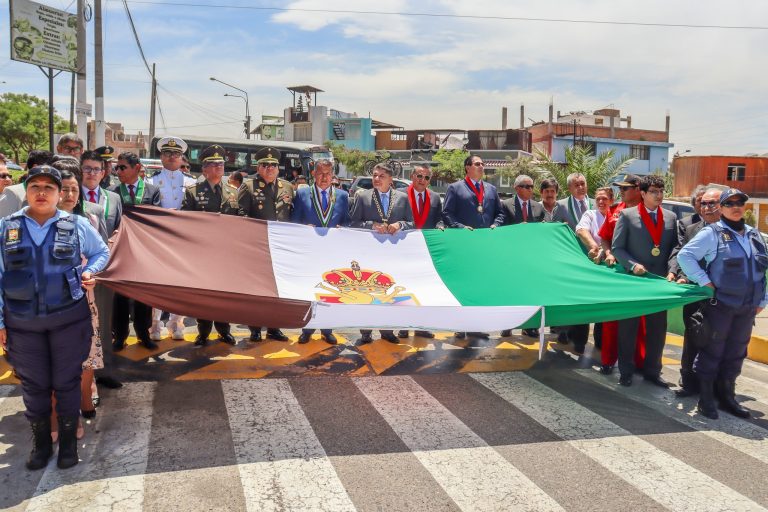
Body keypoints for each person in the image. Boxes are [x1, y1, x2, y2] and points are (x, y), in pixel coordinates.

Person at [0, 165, 109, 470]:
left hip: (68, 321)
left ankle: (69, 444)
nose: (42, 193)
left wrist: (90, 272)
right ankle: (41, 444)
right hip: (22, 325)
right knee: (34, 386)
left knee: (67, 383)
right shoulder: (6, 227)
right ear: (27, 192)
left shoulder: (76, 224)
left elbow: (102, 253)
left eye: (50, 187)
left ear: (60, 194)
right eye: (35, 187)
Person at [678, 188, 767, 419]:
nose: (736, 207)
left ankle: (728, 396)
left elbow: (761, 271)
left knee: (736, 352)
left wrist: (763, 300)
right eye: (730, 203)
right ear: (722, 208)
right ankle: (705, 398)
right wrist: (704, 282)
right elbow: (685, 256)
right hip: (721, 305)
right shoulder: (713, 233)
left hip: (747, 308)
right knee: (712, 351)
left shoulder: (754, 235)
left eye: (740, 202)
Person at [612, 175, 678, 387]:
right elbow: (617, 248)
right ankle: (626, 371)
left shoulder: (670, 217)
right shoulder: (627, 215)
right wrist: (632, 265)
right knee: (628, 328)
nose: (659, 196)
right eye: (654, 192)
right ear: (642, 193)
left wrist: (673, 270)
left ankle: (653, 371)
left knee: (657, 329)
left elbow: (675, 249)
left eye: (661, 191)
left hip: (658, 282)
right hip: (634, 281)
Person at [57, 170, 104, 436]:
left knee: (87, 354)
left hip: (83, 296)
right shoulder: (35, 222)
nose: (69, 195)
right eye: (64, 189)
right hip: (50, 301)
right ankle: (62, 412)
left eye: (74, 190)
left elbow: (102, 252)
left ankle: (85, 398)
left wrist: (90, 271)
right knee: (59, 357)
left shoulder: (88, 220)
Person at [181, 145, 239, 347]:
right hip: (203, 254)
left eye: (221, 164)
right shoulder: (193, 192)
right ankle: (203, 332)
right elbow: (186, 222)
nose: (219, 167)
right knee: (204, 296)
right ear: (204, 169)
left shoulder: (233, 192)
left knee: (224, 295)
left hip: (226, 254)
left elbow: (241, 220)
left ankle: (224, 331)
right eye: (214, 164)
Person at [350, 163, 414, 345]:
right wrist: (371, 225)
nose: (376, 179)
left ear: (390, 179)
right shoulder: (363, 197)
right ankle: (366, 331)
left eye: (381, 176)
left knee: (389, 293)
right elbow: (354, 223)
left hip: (393, 254)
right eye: (375, 175)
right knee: (368, 292)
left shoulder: (402, 198)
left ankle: (387, 330)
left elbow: (412, 222)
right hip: (369, 253)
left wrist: (399, 225)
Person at [668, 187, 723, 397]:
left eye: (711, 203)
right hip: (695, 294)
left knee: (717, 341)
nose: (706, 207)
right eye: (703, 203)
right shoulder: (691, 229)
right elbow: (681, 254)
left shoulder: (731, 231)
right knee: (693, 337)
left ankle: (715, 386)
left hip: (720, 297)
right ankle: (688, 381)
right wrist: (680, 274)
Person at [442, 155, 503, 340]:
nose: (482, 166)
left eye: (483, 164)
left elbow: (500, 213)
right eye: (477, 164)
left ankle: (477, 325)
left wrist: (496, 225)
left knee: (481, 285)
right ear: (467, 167)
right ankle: (461, 325)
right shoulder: (455, 188)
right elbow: (447, 213)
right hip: (464, 246)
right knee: (463, 285)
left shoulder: (491, 190)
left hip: (485, 247)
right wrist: (461, 228)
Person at [291, 159, 351, 345]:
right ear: (314, 175)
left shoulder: (342, 195)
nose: (324, 177)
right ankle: (307, 329)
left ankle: (327, 329)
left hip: (332, 252)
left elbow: (348, 222)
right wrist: (303, 228)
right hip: (309, 252)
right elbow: (293, 222)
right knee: (309, 291)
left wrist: (343, 228)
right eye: (320, 173)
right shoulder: (302, 194)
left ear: (332, 175)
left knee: (330, 292)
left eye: (327, 173)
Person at [238, 147, 293, 342]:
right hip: (257, 248)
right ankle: (254, 328)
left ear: (278, 168)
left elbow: (290, 216)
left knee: (277, 290)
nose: (270, 168)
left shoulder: (287, 187)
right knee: (257, 291)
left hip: (281, 249)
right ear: (258, 167)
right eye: (265, 165)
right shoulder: (248, 186)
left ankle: (274, 327)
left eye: (273, 165)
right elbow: (241, 216)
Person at [108, 152, 162, 351]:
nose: (118, 171)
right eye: (117, 167)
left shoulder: (152, 191)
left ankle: (143, 334)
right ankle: (120, 336)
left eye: (122, 167)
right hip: (121, 250)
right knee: (120, 296)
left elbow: (156, 219)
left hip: (144, 250)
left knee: (143, 295)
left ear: (137, 168)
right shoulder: (112, 191)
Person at [595, 175, 648, 374]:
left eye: (626, 188)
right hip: (617, 273)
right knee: (612, 319)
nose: (622, 192)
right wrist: (608, 252)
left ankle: (639, 362)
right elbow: (604, 238)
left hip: (639, 274)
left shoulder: (646, 210)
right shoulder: (615, 210)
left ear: (637, 189)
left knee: (639, 319)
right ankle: (608, 361)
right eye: (620, 188)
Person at [149, 136, 195, 341]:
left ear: (182, 157)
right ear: (161, 156)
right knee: (157, 283)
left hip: (184, 238)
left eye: (175, 154)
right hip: (160, 237)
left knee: (182, 284)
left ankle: (176, 323)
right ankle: (155, 324)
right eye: (167, 153)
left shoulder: (191, 182)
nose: (171, 157)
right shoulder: (150, 181)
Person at [397, 164, 443, 340]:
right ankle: (403, 326)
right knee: (404, 290)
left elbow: (439, 219)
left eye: (426, 178)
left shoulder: (435, 197)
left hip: (425, 250)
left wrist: (440, 226)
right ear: (412, 176)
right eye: (419, 176)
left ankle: (422, 326)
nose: (422, 180)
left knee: (424, 289)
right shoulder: (400, 194)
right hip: (403, 248)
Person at [500, 174, 544, 338]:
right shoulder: (505, 205)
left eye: (532, 186)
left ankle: (529, 325)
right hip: (511, 256)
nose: (530, 189)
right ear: (516, 188)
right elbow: (500, 228)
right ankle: (507, 325)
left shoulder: (538, 207)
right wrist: (518, 229)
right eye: (526, 186)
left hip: (531, 258)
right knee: (510, 292)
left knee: (530, 292)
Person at [556, 172, 593, 354]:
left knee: (584, 299)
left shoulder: (595, 204)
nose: (580, 187)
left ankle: (580, 340)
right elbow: (554, 232)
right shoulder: (561, 206)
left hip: (591, 261)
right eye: (576, 185)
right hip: (569, 260)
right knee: (568, 297)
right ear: (570, 187)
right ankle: (563, 330)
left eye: (583, 183)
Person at [80, 150, 122, 236]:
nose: (92, 173)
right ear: (80, 171)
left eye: (96, 169)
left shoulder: (114, 199)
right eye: (87, 168)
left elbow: (118, 229)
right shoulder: (73, 197)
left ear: (102, 173)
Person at [0, 150, 52, 218]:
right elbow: (4, 225)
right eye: (3, 176)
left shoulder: (55, 192)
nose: (8, 179)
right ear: (35, 167)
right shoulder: (13, 192)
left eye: (9, 176)